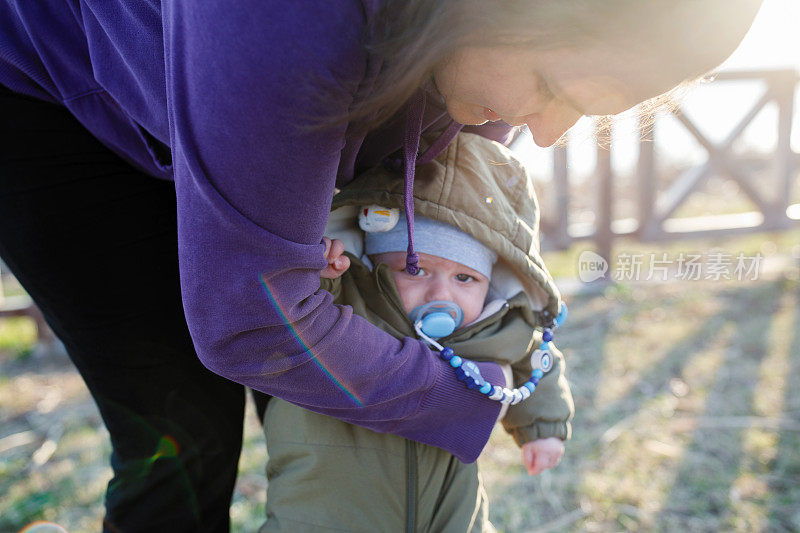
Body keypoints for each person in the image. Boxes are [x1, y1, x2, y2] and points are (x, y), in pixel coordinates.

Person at [0, 0, 762, 530]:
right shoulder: (291, 23)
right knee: (180, 431)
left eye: (587, 108)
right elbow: (251, 321)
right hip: (59, 113)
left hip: (276, 100)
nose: (549, 133)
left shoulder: (475, 54)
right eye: (553, 87)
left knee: (338, 429)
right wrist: (463, 397)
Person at [261, 131, 573, 532]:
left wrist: (543, 430)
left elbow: (537, 364)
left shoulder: (496, 325)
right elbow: (297, 313)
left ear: (489, 282)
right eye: (415, 269)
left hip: (449, 508)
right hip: (325, 505)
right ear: (372, 260)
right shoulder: (350, 302)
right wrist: (321, 275)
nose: (441, 293)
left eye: (465, 277)